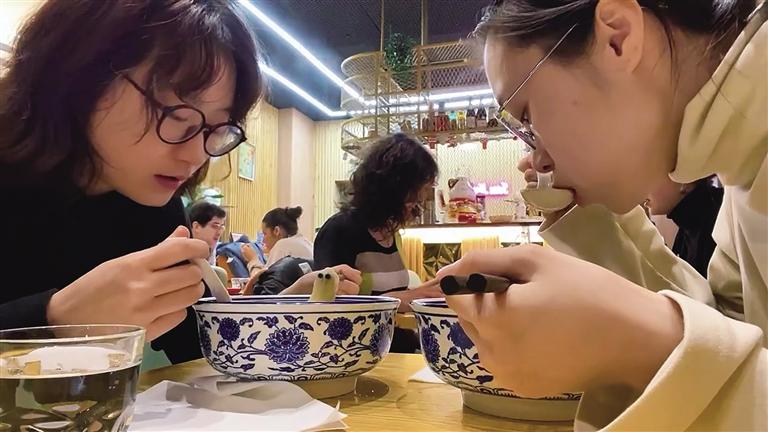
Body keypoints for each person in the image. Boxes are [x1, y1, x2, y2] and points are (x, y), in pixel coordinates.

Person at [438, 1, 767, 430]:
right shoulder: (741, 161)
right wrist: (592, 228)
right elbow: (732, 332)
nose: (537, 160)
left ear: (618, 37)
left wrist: (648, 348)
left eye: (527, 119)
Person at [0, 0, 360, 365]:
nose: (195, 155)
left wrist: (292, 301)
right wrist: (55, 318)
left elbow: (200, 346)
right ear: (80, 73)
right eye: (176, 116)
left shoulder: (153, 207)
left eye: (215, 129)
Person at [314, 133, 443, 351]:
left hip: (392, 344)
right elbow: (327, 309)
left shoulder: (392, 233)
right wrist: (399, 299)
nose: (418, 203)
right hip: (358, 351)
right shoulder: (340, 230)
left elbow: (392, 298)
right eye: (416, 194)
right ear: (394, 187)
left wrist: (423, 293)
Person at [646, 176, 724, 276]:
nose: (641, 190)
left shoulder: (716, 221)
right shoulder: (690, 219)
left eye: (649, 179)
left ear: (683, 181)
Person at [241, 206, 313, 276]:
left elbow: (263, 281)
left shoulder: (283, 245)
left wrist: (253, 260)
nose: (263, 240)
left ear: (276, 231)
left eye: (265, 234)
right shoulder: (305, 242)